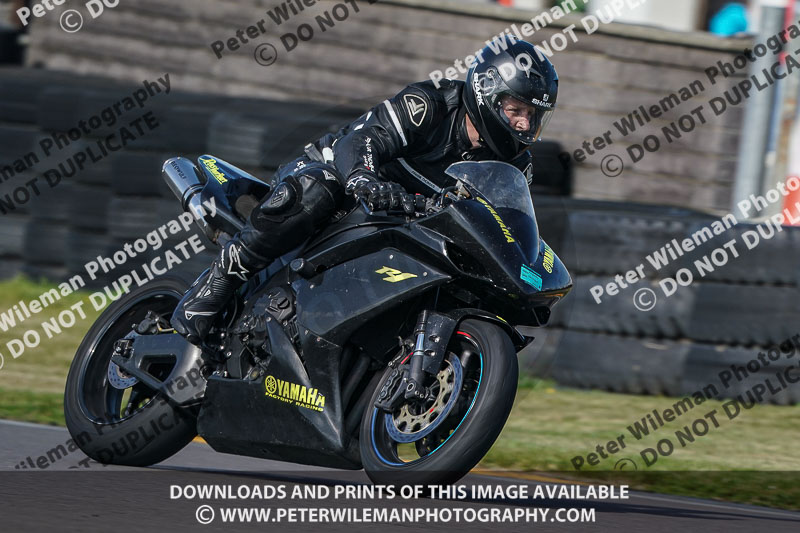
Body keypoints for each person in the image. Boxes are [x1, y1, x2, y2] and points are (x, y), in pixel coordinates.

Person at [170, 38, 559, 345]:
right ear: (487, 91)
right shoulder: (431, 103)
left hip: (406, 220)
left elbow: (505, 222)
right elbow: (363, 140)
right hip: (341, 180)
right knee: (319, 189)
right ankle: (218, 281)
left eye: (533, 116)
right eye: (516, 109)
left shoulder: (517, 165)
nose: (524, 124)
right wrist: (364, 178)